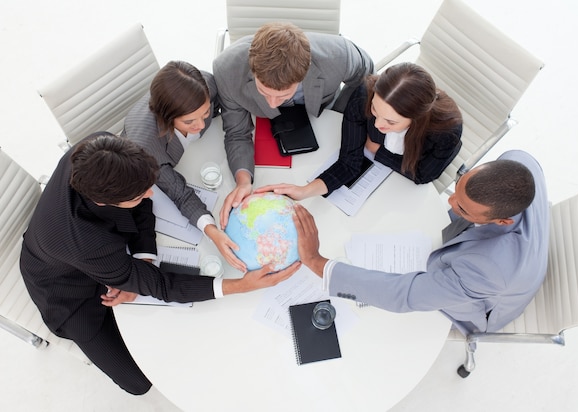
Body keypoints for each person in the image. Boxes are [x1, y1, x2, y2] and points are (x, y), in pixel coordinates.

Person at [20, 133, 300, 398]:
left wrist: (142, 257)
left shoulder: (101, 148)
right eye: (138, 195)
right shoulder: (87, 244)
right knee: (139, 382)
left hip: (92, 248)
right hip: (67, 292)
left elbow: (142, 201)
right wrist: (239, 286)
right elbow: (160, 284)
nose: (150, 196)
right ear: (105, 200)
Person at [293, 150, 549, 335]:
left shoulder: (489, 270)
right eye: (458, 188)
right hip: (498, 254)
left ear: (501, 221)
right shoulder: (518, 160)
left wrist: (317, 261)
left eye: (462, 207)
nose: (449, 203)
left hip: (483, 307)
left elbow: (405, 295)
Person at [213, 22, 374, 226]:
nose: (272, 104)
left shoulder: (339, 55)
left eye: (282, 95)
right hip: (262, 127)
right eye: (264, 92)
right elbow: (236, 133)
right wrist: (243, 181)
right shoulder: (227, 69)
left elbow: (367, 79)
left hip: (321, 114)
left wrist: (342, 115)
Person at [257, 62, 463, 200]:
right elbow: (349, 161)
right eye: (375, 110)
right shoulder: (364, 94)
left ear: (416, 119)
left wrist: (375, 150)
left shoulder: (446, 131)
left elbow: (423, 175)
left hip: (397, 194)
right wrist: (304, 191)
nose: (376, 125)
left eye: (390, 122)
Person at [122, 60, 246, 272]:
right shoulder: (146, 148)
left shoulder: (207, 83)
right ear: (166, 118)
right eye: (190, 122)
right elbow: (179, 193)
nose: (200, 125)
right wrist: (212, 231)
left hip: (200, 154)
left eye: (205, 114)